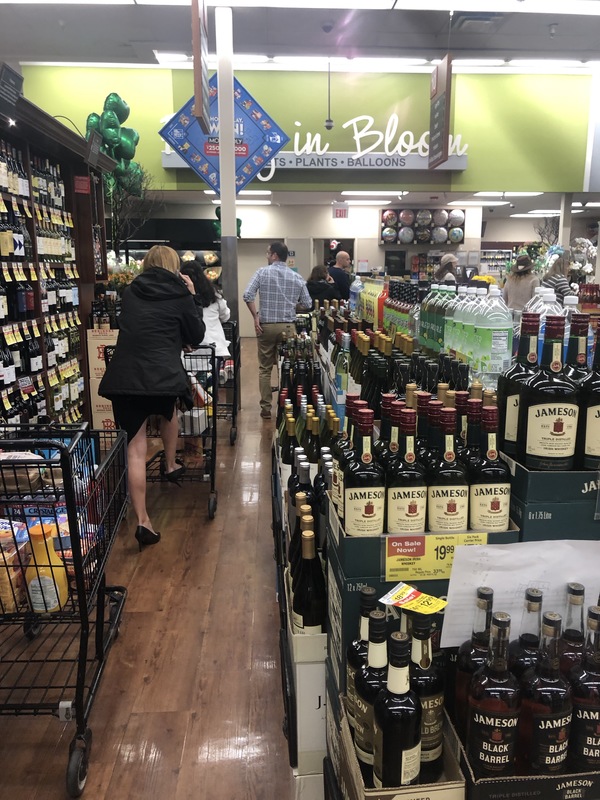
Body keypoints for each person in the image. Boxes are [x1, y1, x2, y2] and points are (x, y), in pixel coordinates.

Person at [99, 245, 205, 551]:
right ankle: (170, 464)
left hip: (125, 378)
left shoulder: (130, 292)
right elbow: (196, 335)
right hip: (163, 377)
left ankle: (143, 520)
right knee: (170, 408)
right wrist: (193, 295)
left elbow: (135, 327)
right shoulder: (181, 293)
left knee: (135, 449)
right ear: (174, 267)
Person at [243, 241, 312, 419]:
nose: (267, 256)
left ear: (274, 255)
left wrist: (255, 317)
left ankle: (266, 408)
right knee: (287, 367)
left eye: (268, 253)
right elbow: (307, 303)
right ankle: (286, 405)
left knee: (265, 368)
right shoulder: (296, 276)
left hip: (265, 326)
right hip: (288, 328)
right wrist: (291, 305)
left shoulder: (261, 272)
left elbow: (248, 295)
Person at [180, 260, 231, 359]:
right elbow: (225, 316)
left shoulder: (179, 296)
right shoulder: (214, 294)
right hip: (214, 347)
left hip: (188, 350)